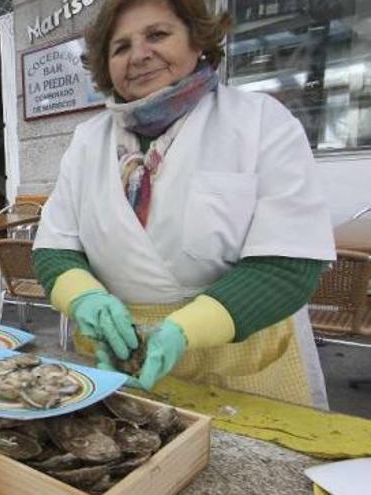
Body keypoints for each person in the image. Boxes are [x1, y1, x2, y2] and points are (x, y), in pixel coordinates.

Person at [33, 0, 335, 408]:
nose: (139, 55)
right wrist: (86, 297)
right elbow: (56, 248)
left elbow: (289, 266)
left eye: (157, 35)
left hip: (240, 360)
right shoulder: (87, 141)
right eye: (120, 47)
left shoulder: (260, 121)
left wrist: (187, 328)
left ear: (197, 40)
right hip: (118, 357)